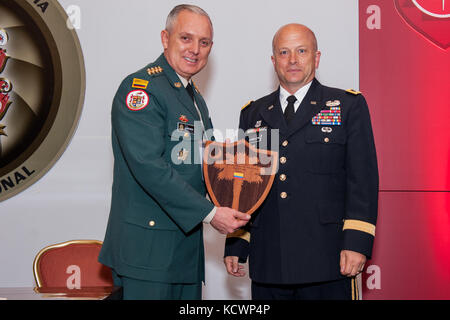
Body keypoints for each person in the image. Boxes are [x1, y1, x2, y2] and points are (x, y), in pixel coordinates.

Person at [99, 4, 250, 300]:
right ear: (165, 38)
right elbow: (148, 166)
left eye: (204, 42)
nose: (195, 49)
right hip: (149, 252)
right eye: (186, 38)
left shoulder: (192, 97)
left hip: (184, 249)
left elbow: (203, 165)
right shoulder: (141, 89)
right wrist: (210, 213)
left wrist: (243, 188)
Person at [224, 23, 379, 300]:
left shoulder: (347, 105)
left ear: (316, 57)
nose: (292, 60)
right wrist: (237, 243)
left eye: (301, 51)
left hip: (328, 259)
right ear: (273, 61)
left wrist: (357, 243)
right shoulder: (253, 113)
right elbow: (246, 183)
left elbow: (362, 182)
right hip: (269, 259)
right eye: (284, 52)